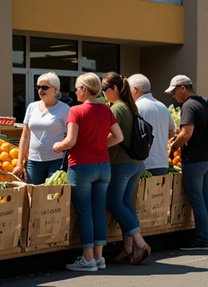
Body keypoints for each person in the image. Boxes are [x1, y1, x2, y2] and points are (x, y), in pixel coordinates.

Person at [53, 72, 124, 272]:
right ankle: (99, 258)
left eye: (77, 88)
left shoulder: (75, 111)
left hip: (81, 166)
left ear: (84, 89)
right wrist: (100, 146)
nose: (75, 91)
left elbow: (71, 141)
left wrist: (58, 146)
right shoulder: (105, 110)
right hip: (103, 166)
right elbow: (118, 137)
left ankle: (87, 259)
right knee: (98, 212)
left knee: (84, 213)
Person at [101, 72, 151, 265]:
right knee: (126, 204)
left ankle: (140, 243)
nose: (104, 93)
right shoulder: (131, 107)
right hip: (136, 164)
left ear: (114, 89)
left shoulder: (116, 109)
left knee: (113, 203)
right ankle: (128, 248)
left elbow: (112, 137)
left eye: (105, 89)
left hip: (120, 163)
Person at [166, 75, 208, 250]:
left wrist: (173, 146)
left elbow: (186, 133)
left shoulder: (188, 106)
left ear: (183, 88)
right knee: (206, 198)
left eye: (174, 92)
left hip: (194, 159)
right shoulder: (204, 102)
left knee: (197, 199)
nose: (173, 96)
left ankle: (202, 240)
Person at [13, 72, 70, 183]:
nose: (40, 90)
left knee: (51, 197)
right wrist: (19, 163)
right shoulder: (31, 107)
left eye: (45, 87)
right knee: (34, 197)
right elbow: (25, 137)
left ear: (55, 90)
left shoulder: (65, 109)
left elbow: (71, 136)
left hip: (56, 161)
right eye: (38, 87)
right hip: (33, 162)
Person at [127, 74, 176, 176]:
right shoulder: (162, 107)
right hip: (162, 163)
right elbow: (172, 132)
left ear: (135, 90)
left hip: (144, 164)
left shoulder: (136, 107)